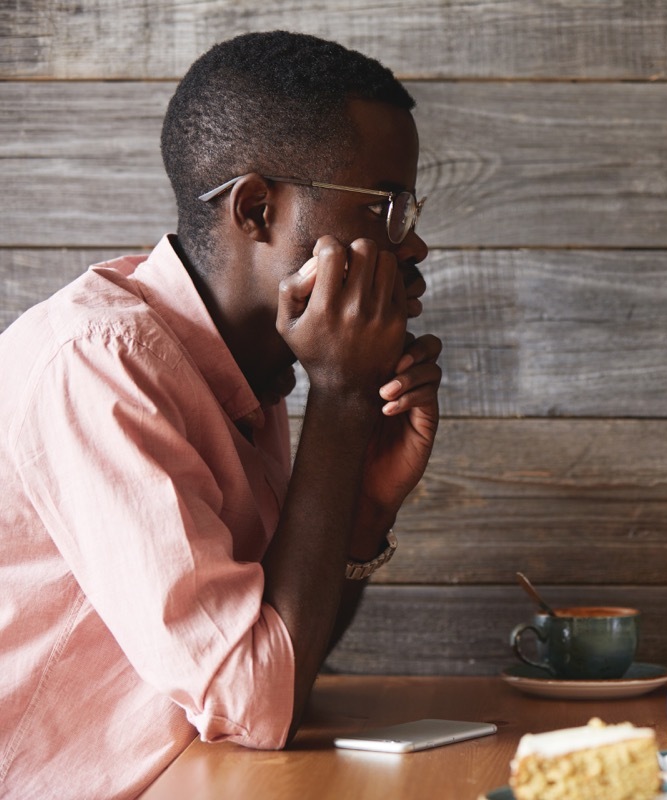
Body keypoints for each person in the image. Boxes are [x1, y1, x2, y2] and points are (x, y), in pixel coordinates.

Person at [0, 32, 442, 798]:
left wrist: (364, 512)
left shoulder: (249, 375)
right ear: (257, 209)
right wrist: (340, 401)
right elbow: (257, 703)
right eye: (384, 207)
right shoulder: (99, 366)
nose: (413, 244)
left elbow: (285, 659)